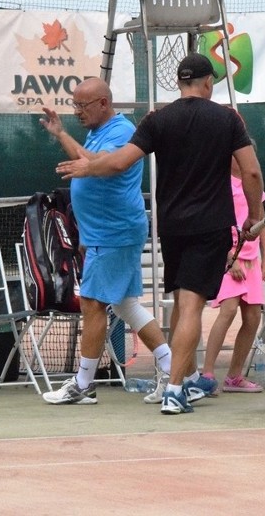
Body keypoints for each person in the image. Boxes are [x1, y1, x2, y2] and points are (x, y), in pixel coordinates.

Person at [56, 53, 265, 415]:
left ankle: (174, 381)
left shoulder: (158, 119)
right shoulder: (227, 118)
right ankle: (173, 390)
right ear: (208, 83)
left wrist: (88, 167)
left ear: (180, 83)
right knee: (191, 308)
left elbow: (120, 161)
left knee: (184, 306)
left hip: (171, 228)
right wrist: (255, 217)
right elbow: (251, 174)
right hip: (209, 226)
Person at [38, 78, 183, 406]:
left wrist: (64, 137)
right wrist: (61, 134)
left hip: (115, 233)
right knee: (125, 305)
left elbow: (99, 166)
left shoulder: (121, 131)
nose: (78, 112)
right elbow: (85, 162)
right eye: (74, 106)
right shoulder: (95, 131)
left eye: (83, 106)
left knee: (92, 303)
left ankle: (82, 384)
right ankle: (175, 371)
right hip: (106, 233)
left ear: (103, 103)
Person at [201, 150, 265, 393]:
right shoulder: (219, 184)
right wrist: (228, 257)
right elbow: (212, 223)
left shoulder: (253, 185)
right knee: (229, 309)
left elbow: (261, 221)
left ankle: (234, 377)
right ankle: (208, 375)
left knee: (253, 317)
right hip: (228, 255)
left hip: (252, 259)